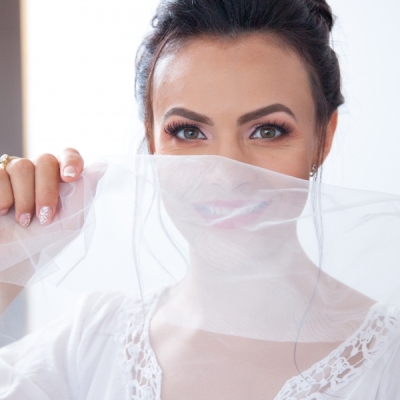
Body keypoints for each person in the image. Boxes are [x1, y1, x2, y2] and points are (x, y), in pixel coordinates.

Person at [1, 0, 400, 399]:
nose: (226, 175)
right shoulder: (88, 346)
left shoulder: (389, 364)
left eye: (267, 131)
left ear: (323, 138)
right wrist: (8, 256)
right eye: (189, 132)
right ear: (152, 141)